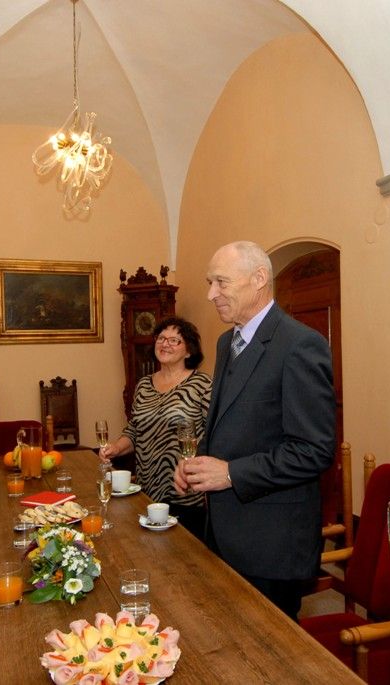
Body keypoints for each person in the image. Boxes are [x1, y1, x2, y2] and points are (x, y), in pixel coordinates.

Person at [173, 240, 335, 619]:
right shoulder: (226, 341)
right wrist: (198, 466)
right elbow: (230, 422)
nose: (211, 294)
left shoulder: (300, 344)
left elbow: (313, 451)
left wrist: (230, 473)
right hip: (223, 533)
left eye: (221, 282)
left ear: (259, 279)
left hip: (271, 545)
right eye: (210, 283)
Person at [100, 316, 212, 536]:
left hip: (186, 492)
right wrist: (116, 448)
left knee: (186, 552)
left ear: (189, 351)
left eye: (174, 340)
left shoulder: (202, 384)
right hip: (146, 492)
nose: (165, 344)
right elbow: (134, 431)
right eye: (161, 338)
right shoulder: (143, 385)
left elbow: (215, 434)